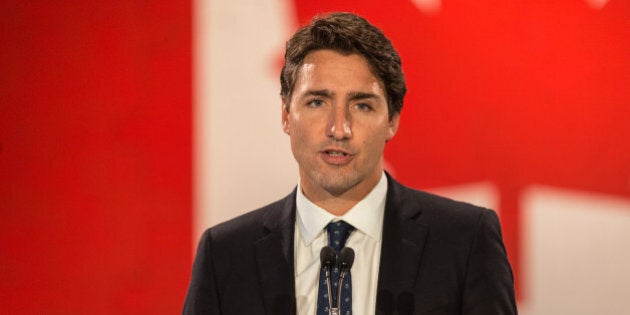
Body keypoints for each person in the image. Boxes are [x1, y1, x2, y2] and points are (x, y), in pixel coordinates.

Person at [183, 12, 517, 315]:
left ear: (392, 120)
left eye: (361, 106)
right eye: (317, 102)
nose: (338, 129)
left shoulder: (465, 241)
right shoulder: (225, 255)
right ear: (286, 115)